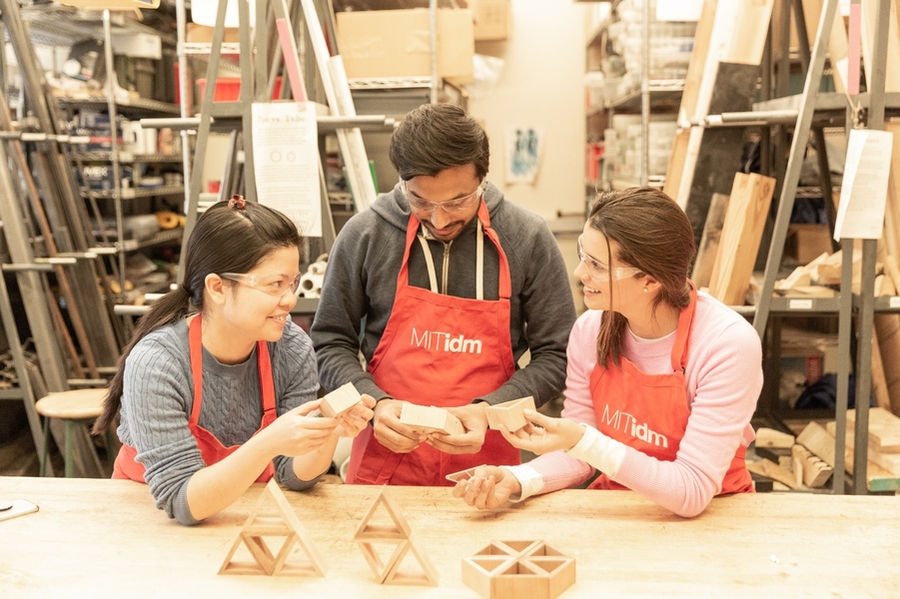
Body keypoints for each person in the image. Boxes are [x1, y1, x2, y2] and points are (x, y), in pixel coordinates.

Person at [452, 188, 763, 517]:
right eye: (583, 255)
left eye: (597, 265)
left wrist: (583, 439)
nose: (580, 273)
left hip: (714, 520)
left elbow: (691, 491)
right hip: (620, 513)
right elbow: (581, 453)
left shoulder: (725, 345)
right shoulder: (591, 331)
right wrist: (518, 478)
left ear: (648, 279)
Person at [310, 104, 576, 486]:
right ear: (402, 184)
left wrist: (490, 411)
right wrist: (374, 403)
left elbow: (558, 355)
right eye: (421, 202)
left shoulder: (527, 238)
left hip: (488, 468)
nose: (440, 219)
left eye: (457, 201)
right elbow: (330, 342)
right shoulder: (365, 235)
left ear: (483, 179)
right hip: (385, 463)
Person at [93, 197, 375, 525]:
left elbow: (294, 476)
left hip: (242, 522)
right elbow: (182, 503)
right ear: (218, 287)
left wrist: (326, 429)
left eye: (293, 282)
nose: (291, 299)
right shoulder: (159, 363)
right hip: (150, 526)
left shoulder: (291, 347)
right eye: (275, 285)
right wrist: (267, 443)